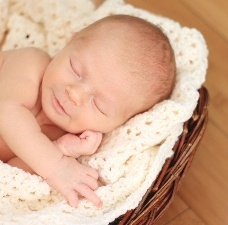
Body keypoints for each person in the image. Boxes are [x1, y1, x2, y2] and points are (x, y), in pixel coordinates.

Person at [0, 14, 176, 208]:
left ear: (118, 125)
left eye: (98, 105)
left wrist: (60, 148)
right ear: (70, 42)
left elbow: (10, 171)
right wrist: (56, 165)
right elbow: (8, 113)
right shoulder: (30, 64)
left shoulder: (63, 139)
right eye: (75, 70)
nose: (75, 94)